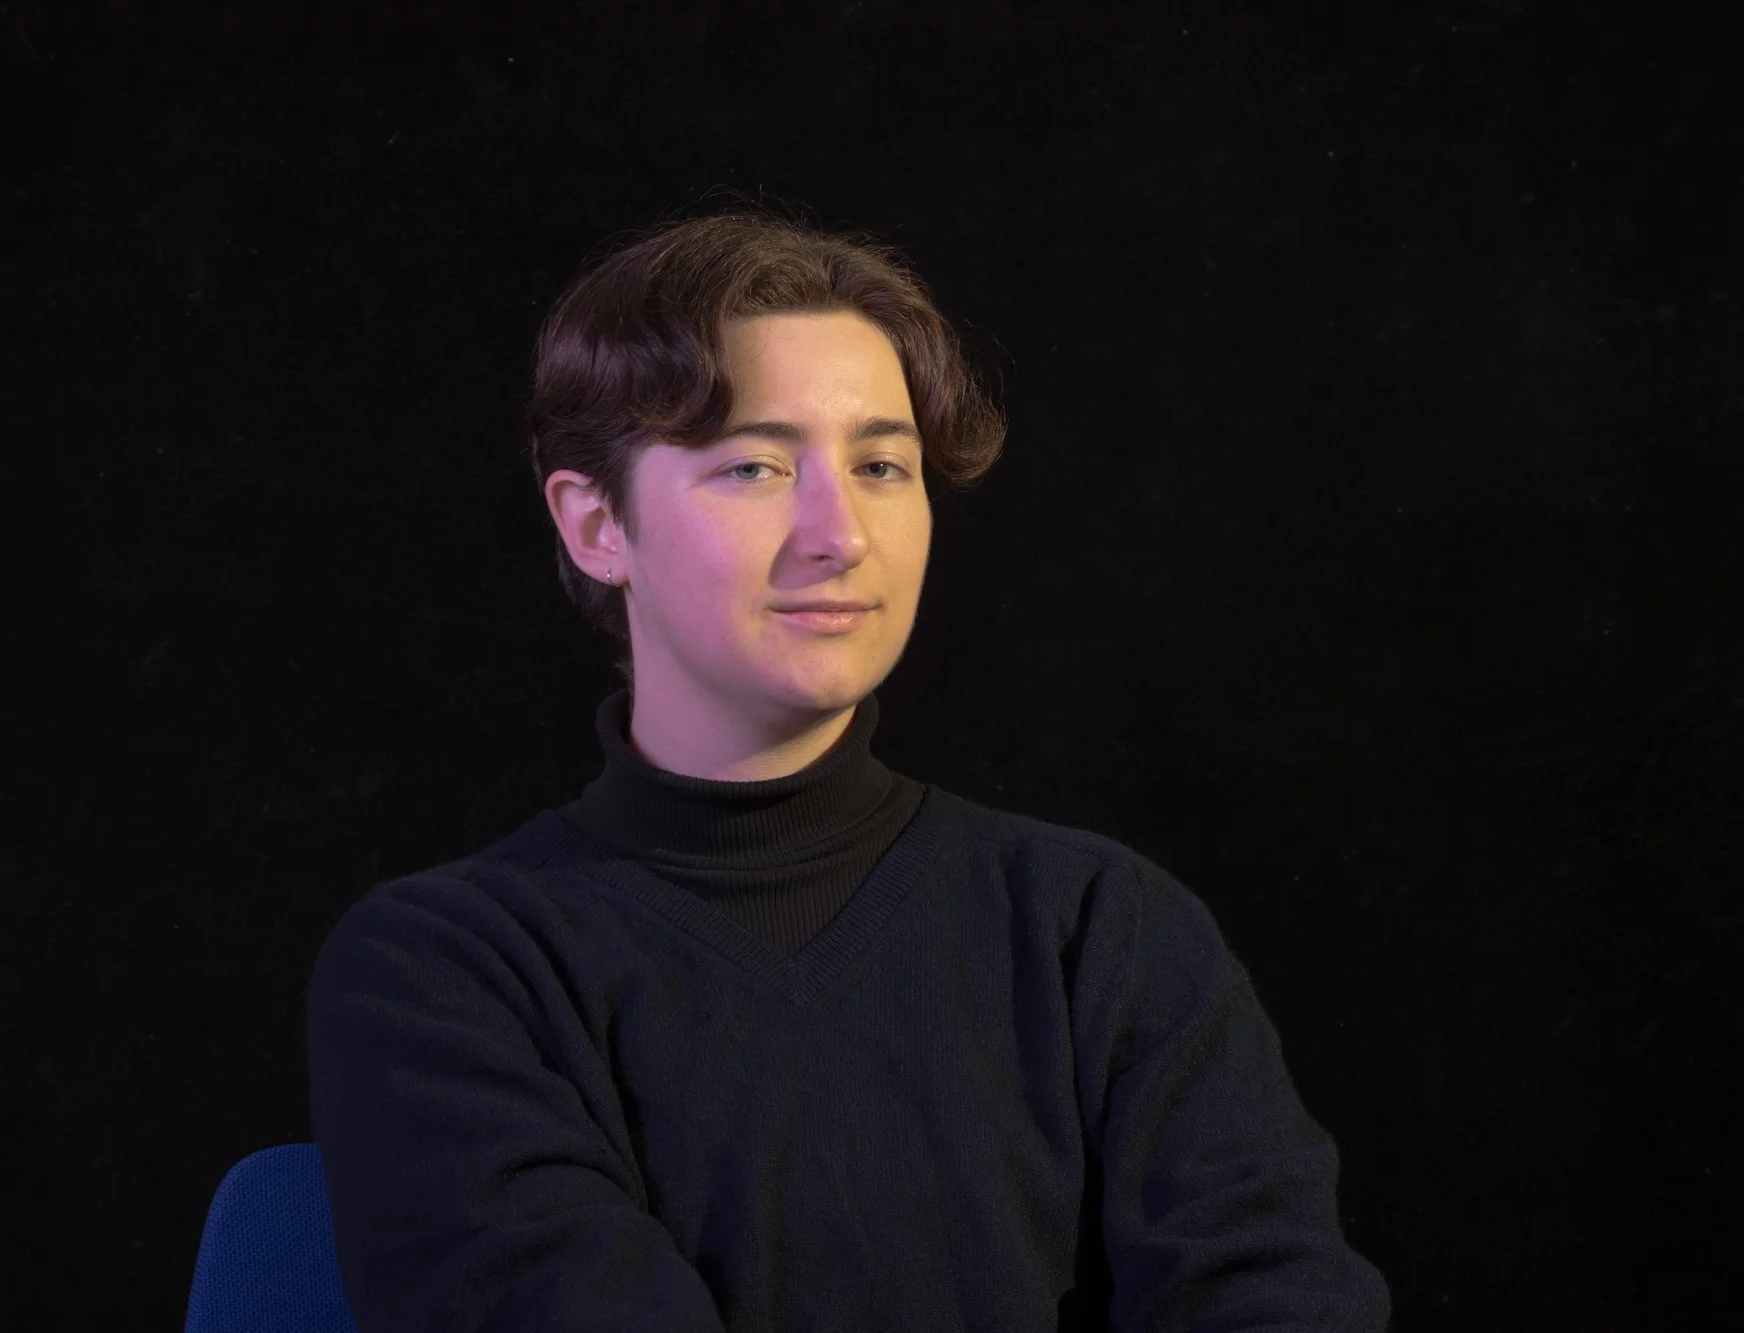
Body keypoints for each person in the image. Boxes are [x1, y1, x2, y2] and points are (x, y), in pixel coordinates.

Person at [305, 200, 1391, 1331]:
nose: (841, 534)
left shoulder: (1098, 930)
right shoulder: (448, 971)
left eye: (881, 464)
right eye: (754, 467)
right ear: (595, 526)